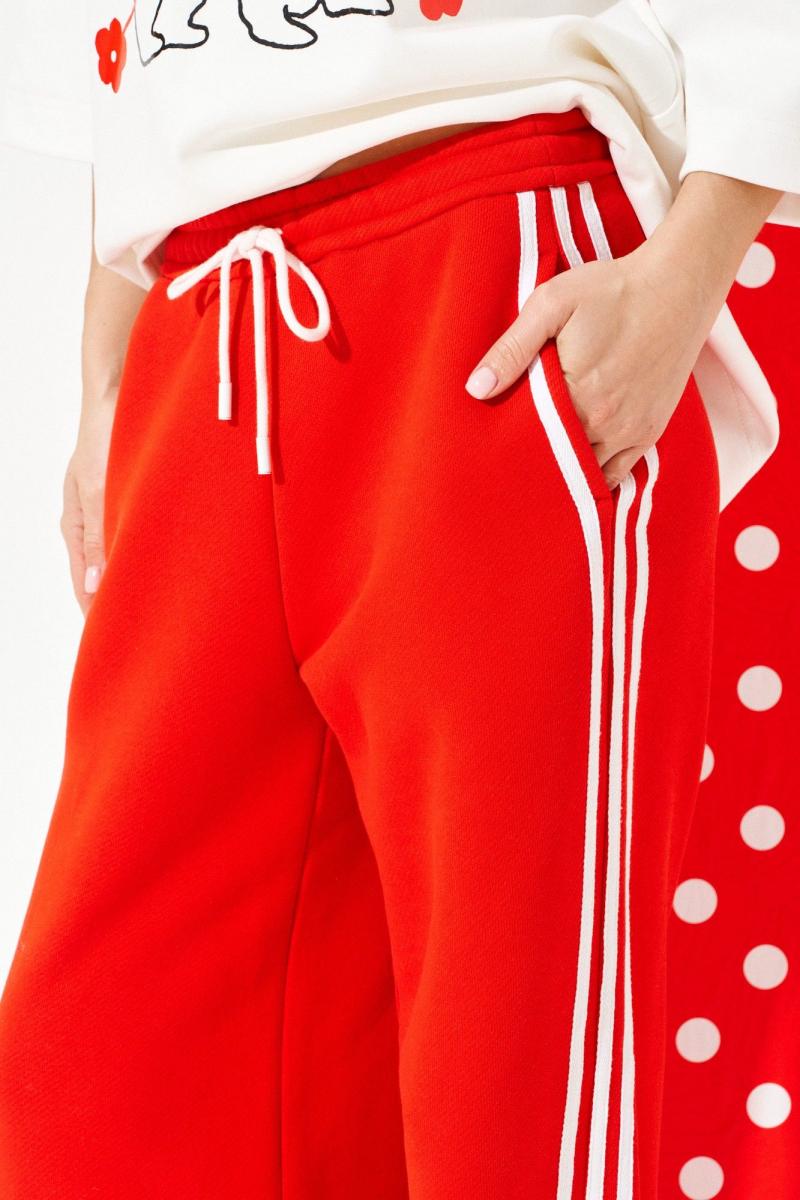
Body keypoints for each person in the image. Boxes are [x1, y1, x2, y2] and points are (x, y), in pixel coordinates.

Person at [0, 3, 796, 1198]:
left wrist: (682, 278)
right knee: (95, 1072)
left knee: (508, 1084)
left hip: (490, 272)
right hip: (200, 326)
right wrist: (105, 376)